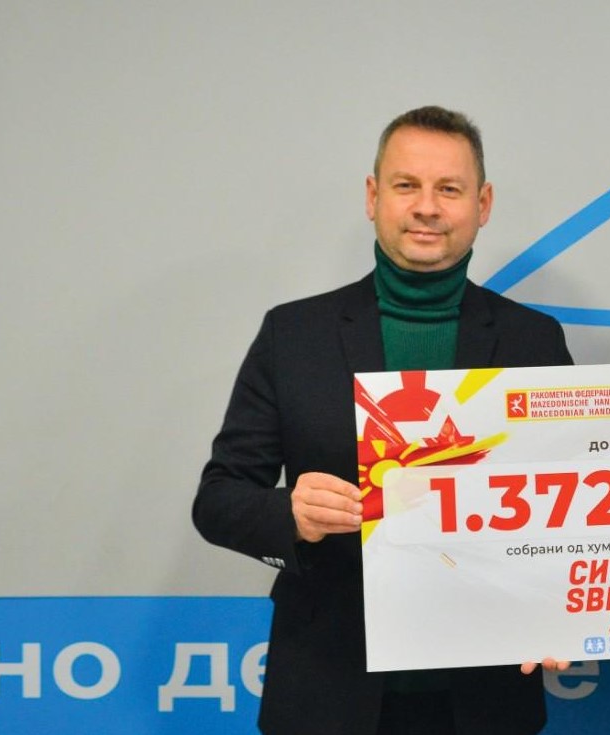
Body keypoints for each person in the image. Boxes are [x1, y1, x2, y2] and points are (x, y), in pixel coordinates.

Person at [193, 106, 572, 735]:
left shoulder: (533, 339)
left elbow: (574, 510)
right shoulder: (294, 334)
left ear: (482, 204)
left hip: (484, 691)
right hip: (329, 684)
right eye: (406, 185)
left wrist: (566, 612)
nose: (426, 207)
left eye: (448, 189)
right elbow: (218, 499)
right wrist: (289, 514)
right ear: (373, 197)